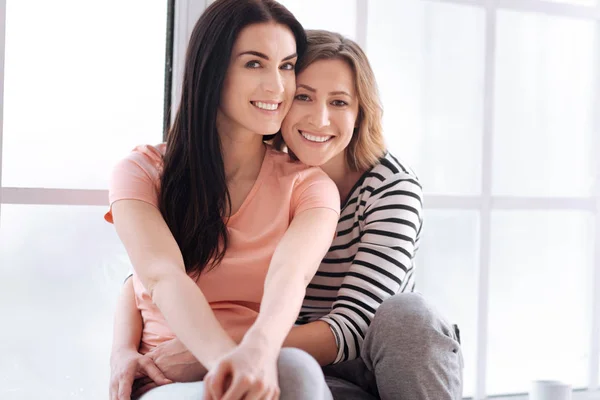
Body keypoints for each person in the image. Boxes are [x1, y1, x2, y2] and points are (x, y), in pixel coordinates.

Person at [111, 27, 464, 400]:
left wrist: (215, 352)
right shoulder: (262, 171)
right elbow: (150, 276)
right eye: (304, 97)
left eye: (340, 102)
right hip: (290, 362)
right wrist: (124, 351)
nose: (320, 119)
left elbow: (353, 327)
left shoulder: (390, 188)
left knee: (409, 314)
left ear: (362, 113)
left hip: (366, 358)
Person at [105, 1, 340, 399]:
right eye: (254, 64)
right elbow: (161, 276)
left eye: (286, 65)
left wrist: (258, 355)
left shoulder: (309, 187)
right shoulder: (141, 171)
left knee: (296, 369)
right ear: (212, 69)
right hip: (167, 378)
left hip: (259, 364)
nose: (278, 86)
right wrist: (227, 364)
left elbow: (291, 276)